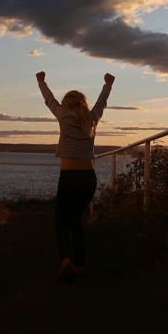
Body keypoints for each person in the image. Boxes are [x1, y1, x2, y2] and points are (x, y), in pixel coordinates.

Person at [36, 70, 114, 282]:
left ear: (67, 105)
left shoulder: (64, 115)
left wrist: (41, 81)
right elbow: (101, 103)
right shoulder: (92, 119)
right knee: (75, 220)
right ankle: (79, 265)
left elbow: (48, 99)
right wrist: (108, 85)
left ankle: (66, 260)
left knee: (61, 221)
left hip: (69, 177)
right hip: (89, 179)